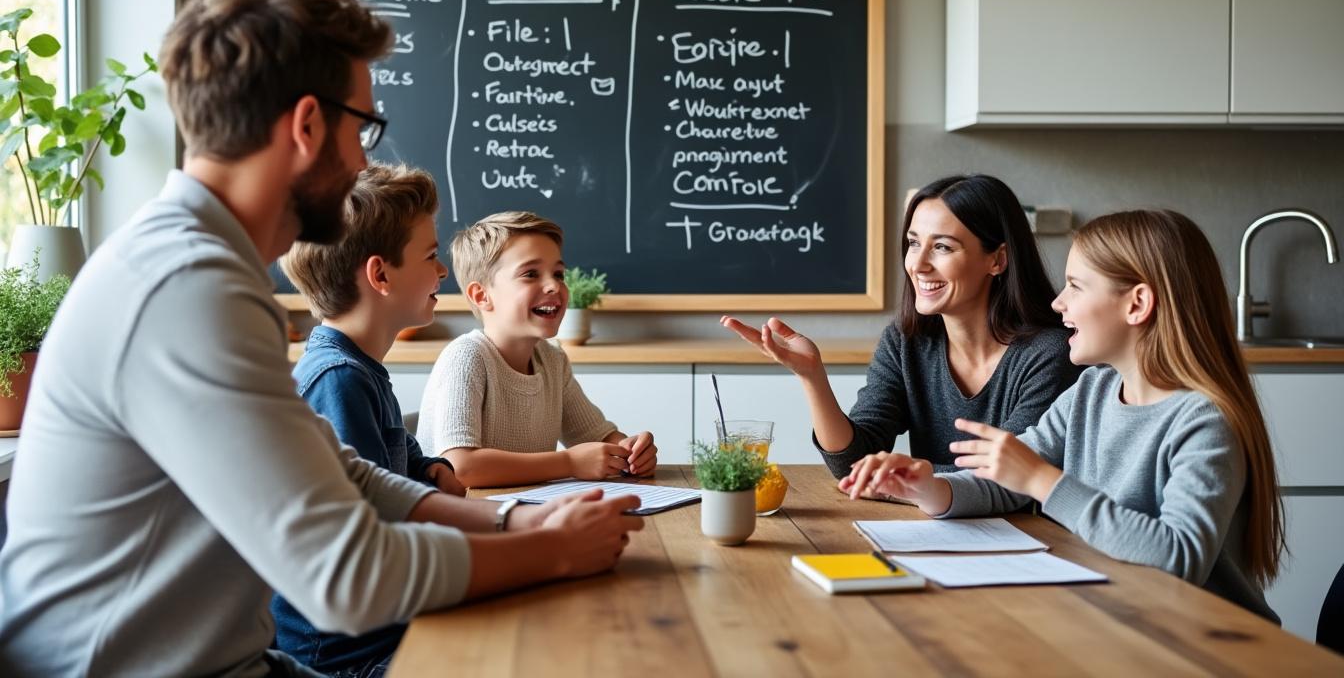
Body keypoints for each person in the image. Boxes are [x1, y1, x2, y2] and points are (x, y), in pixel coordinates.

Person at [0, 0, 642, 677]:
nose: (366, 159)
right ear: (308, 125)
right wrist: (551, 551)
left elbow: (345, 474)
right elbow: (347, 578)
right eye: (362, 127)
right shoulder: (185, 286)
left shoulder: (199, 265)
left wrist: (512, 520)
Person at [842, 210, 1283, 622]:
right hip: (1119, 617)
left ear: (1137, 304)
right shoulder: (1092, 391)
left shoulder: (1202, 421)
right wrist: (930, 488)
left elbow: (1179, 557)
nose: (1057, 303)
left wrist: (1042, 481)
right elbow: (1008, 479)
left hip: (1208, 641)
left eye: (1076, 285)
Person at [723, 174, 1080, 478]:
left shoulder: (1049, 354)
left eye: (942, 247)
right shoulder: (906, 341)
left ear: (997, 260)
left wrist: (902, 472)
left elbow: (1008, 477)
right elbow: (852, 464)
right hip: (934, 530)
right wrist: (812, 376)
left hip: (1028, 543)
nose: (918, 264)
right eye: (913, 243)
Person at [272, 162, 468, 675]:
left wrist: (426, 468)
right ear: (380, 274)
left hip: (382, 630)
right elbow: (373, 529)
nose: (443, 271)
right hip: (349, 658)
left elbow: (386, 455)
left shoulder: (358, 368)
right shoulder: (338, 379)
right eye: (430, 256)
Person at [417, 211, 658, 487]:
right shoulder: (466, 357)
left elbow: (596, 437)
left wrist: (631, 452)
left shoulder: (552, 359)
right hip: (460, 523)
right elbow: (461, 468)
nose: (554, 285)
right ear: (482, 295)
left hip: (523, 514)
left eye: (558, 273)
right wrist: (568, 462)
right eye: (531, 274)